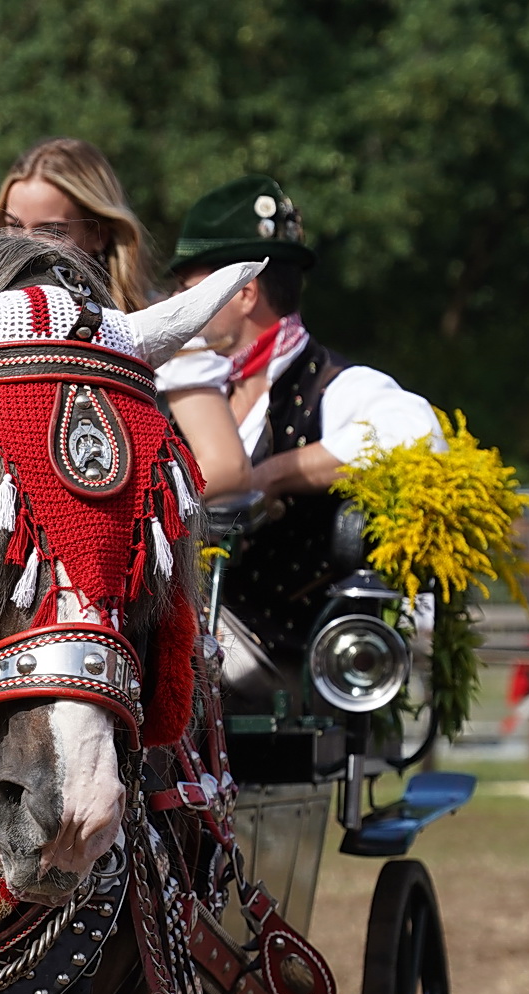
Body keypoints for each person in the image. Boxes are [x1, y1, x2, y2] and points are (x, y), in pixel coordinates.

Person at [163, 174, 445, 660]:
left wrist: (271, 476)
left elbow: (418, 436)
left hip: (284, 655)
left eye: (190, 290)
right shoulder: (191, 383)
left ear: (244, 292)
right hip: (205, 639)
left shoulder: (338, 385)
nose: (176, 306)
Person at [0, 139, 251, 497]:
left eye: (51, 231)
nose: (23, 246)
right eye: (12, 225)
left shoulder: (152, 325)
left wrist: (123, 508)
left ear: (98, 234)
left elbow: (228, 466)